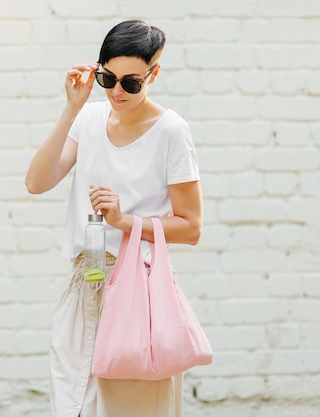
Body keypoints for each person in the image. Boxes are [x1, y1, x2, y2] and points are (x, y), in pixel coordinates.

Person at [25, 20, 203, 417]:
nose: (117, 92)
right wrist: (71, 108)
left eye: (131, 83)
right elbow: (37, 182)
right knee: (71, 405)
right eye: (108, 78)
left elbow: (192, 228)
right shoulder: (87, 119)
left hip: (137, 289)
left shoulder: (171, 131)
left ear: (153, 74)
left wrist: (124, 221)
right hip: (83, 282)